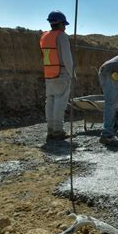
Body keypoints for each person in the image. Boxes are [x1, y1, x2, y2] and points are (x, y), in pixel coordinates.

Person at [39, 11, 75, 141]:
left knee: (50, 102)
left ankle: (50, 130)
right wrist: (73, 74)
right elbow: (67, 58)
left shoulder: (44, 36)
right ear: (59, 23)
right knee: (60, 102)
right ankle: (58, 131)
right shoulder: (62, 36)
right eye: (64, 24)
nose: (65, 27)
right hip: (61, 73)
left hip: (49, 74)